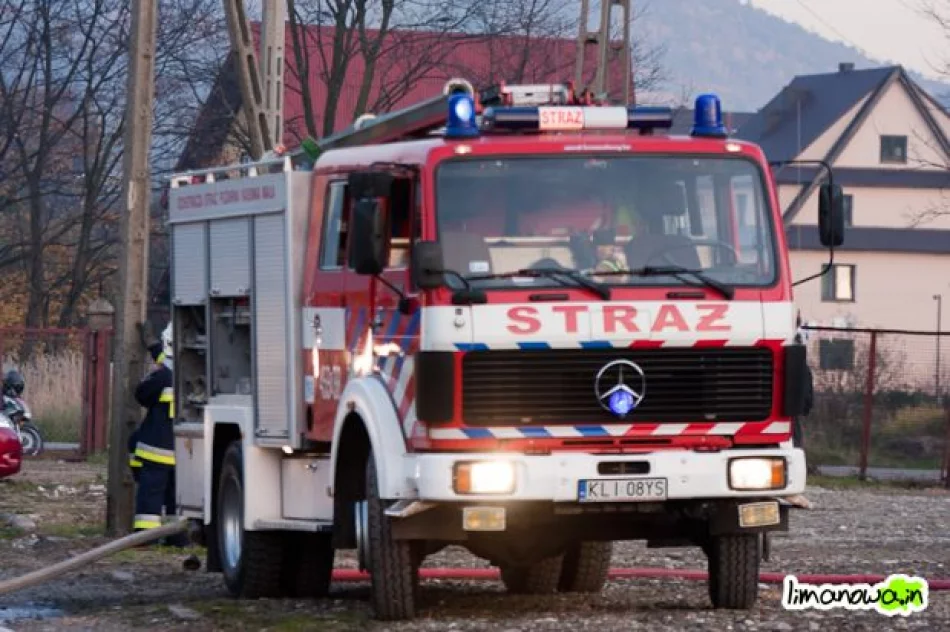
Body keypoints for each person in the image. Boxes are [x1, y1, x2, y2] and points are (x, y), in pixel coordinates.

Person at [132, 340, 186, 547]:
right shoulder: (199, 375)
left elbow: (141, 394)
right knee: (176, 496)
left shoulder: (163, 377)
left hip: (157, 448)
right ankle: (178, 537)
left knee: (150, 493)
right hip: (184, 450)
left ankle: (146, 536)